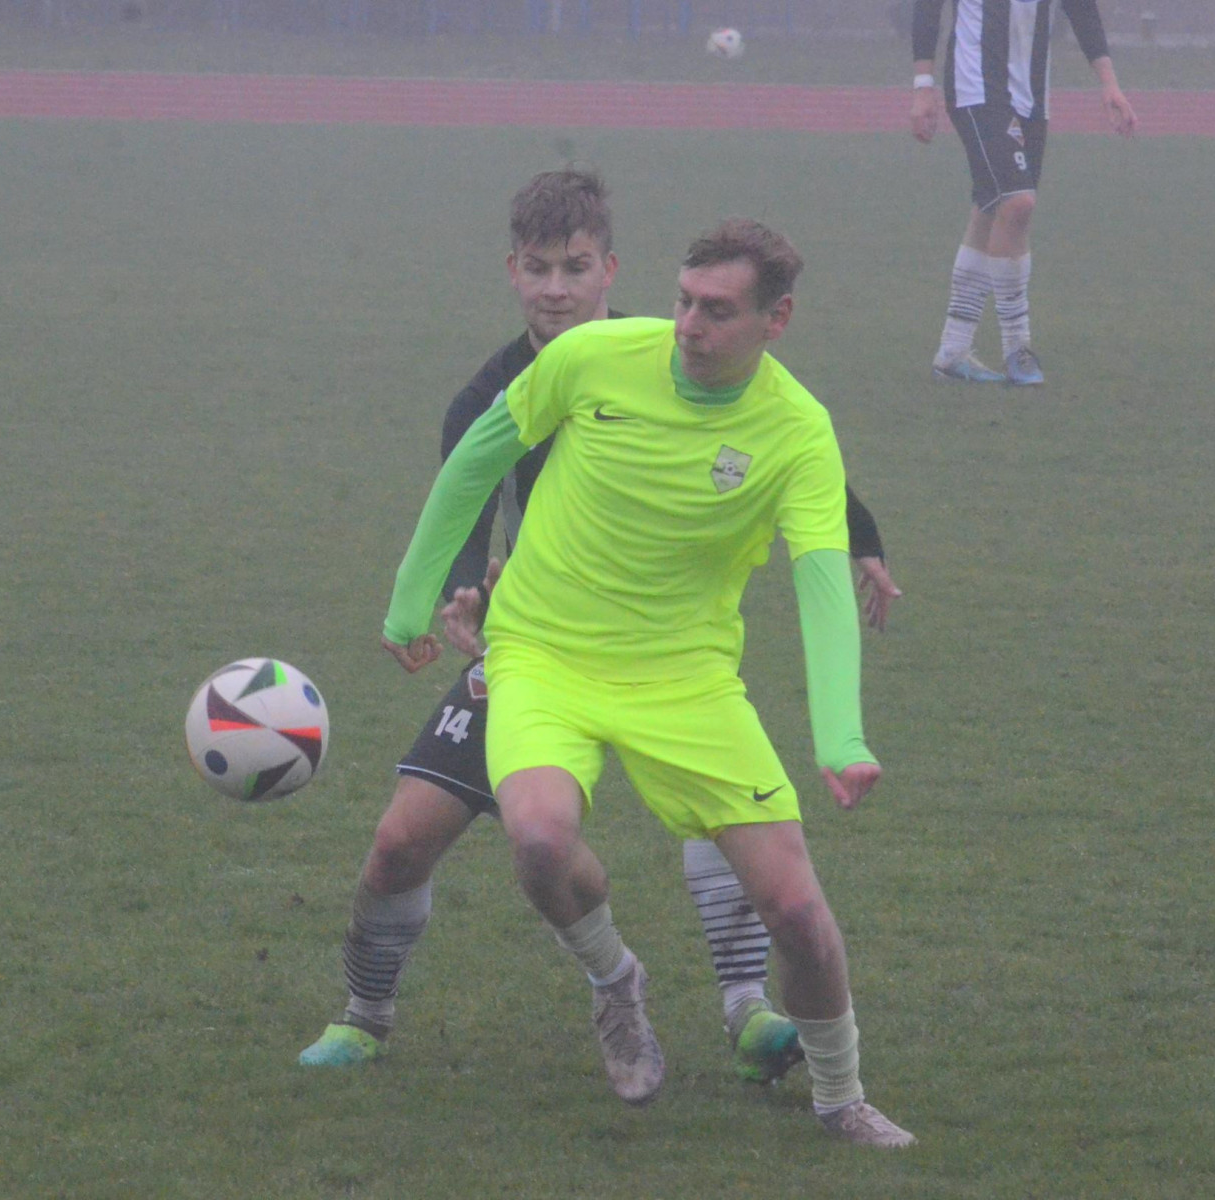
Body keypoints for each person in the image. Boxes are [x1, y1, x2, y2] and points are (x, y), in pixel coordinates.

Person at [301, 172, 904, 1089]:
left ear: (608, 272)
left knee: (726, 823)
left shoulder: (675, 355)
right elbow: (465, 501)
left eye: (574, 268)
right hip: (538, 644)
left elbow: (781, 450)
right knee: (401, 841)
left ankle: (748, 1009)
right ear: (512, 272)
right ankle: (367, 1015)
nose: (555, 289)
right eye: (538, 269)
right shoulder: (497, 391)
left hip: (667, 659)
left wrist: (860, 543)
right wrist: (451, 596)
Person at [909, 0, 1137, 385]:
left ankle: (952, 352)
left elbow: (1081, 8)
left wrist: (1109, 83)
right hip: (976, 86)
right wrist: (922, 86)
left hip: (1031, 95)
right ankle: (1018, 348)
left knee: (991, 208)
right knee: (1018, 203)